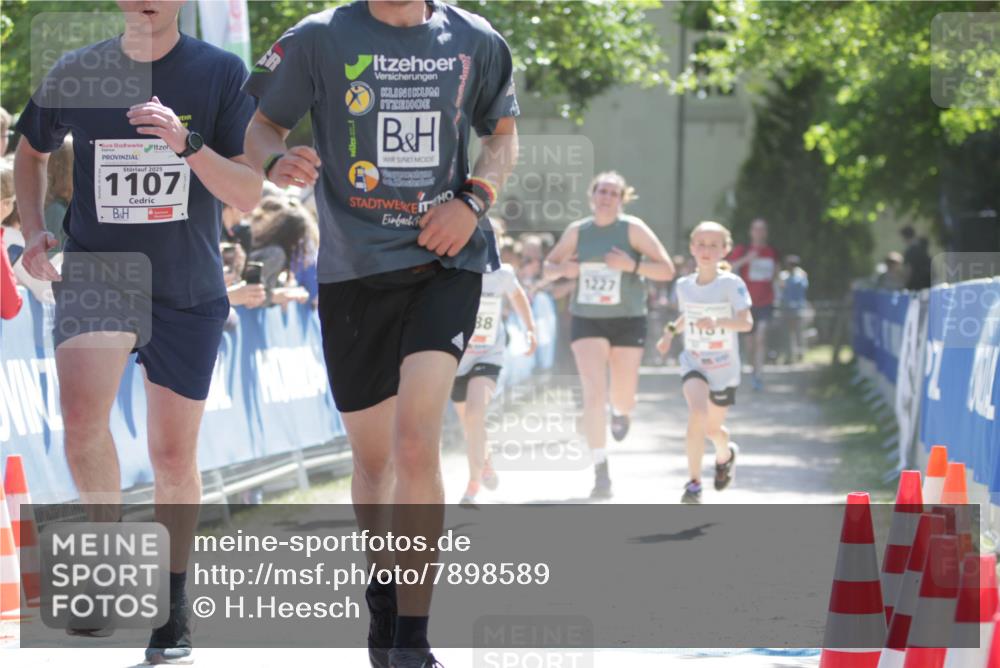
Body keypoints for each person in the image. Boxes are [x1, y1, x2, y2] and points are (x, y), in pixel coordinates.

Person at [242, 1, 519, 666]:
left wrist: (473, 201)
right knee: (374, 463)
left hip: (444, 262)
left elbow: (503, 135)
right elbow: (259, 125)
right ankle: (384, 599)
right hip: (353, 275)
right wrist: (276, 162)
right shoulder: (319, 37)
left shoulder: (476, 39)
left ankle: (413, 641)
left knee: (418, 441)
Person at [14, 1, 260, 662]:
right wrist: (35, 225)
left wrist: (187, 143)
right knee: (82, 423)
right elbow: (31, 152)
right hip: (99, 273)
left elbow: (248, 192)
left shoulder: (219, 73)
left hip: (187, 286)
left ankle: (172, 606)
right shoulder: (78, 70)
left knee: (173, 457)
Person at [544, 171, 674, 498]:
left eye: (613, 193)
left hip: (628, 318)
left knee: (623, 396)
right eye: (602, 191)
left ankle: (621, 412)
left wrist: (631, 266)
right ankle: (600, 470)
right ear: (592, 195)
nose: (606, 197)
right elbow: (549, 267)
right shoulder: (578, 231)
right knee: (593, 393)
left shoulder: (633, 229)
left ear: (622, 199)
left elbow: (667, 270)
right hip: (588, 318)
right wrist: (565, 270)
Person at [656, 221, 753, 503]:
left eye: (714, 245)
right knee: (697, 414)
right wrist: (669, 334)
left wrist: (719, 321)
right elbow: (688, 316)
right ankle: (694, 484)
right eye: (701, 244)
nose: (706, 250)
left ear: (725, 250)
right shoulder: (684, 286)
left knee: (712, 429)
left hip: (724, 369)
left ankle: (725, 455)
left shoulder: (731, 284)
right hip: (694, 362)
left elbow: (746, 323)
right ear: (691, 248)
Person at [454, 219, 537, 507]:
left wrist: (530, 328)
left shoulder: (502, 273)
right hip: (454, 358)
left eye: (492, 240)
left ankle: (472, 487)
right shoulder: (451, 269)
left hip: (488, 355)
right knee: (469, 424)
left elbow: (518, 296)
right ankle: (484, 460)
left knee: (476, 413)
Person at [728, 217, 778, 390]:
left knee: (761, 338)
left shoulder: (771, 252)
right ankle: (752, 371)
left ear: (766, 232)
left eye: (762, 229)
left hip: (766, 301)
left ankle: (759, 374)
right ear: (751, 232)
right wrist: (747, 259)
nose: (759, 232)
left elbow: (775, 274)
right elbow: (728, 267)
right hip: (747, 303)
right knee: (750, 344)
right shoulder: (743, 250)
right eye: (756, 229)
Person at [776, 254, 809, 363]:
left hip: (796, 307)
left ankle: (799, 354)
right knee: (789, 333)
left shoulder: (798, 275)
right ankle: (790, 355)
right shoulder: (796, 275)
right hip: (789, 308)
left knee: (797, 332)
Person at [900, 225, 931, 290]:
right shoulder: (923, 247)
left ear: (905, 237)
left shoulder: (909, 252)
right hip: (927, 284)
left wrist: (903, 286)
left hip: (915, 287)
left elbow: (908, 270)